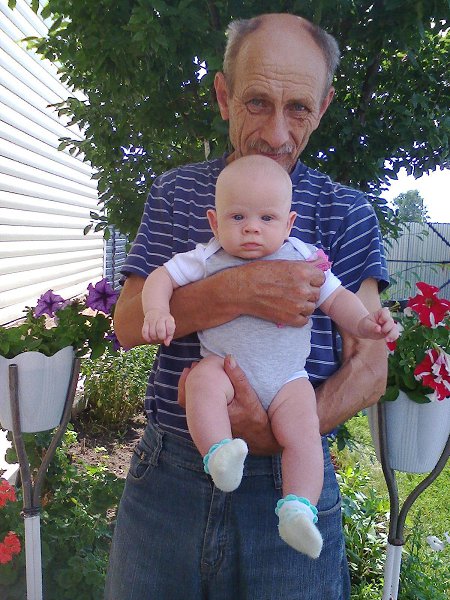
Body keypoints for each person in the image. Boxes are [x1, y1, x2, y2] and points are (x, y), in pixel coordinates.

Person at [105, 12, 390, 600]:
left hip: (292, 474)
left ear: (324, 106)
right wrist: (237, 290)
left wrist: (274, 432)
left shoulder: (348, 212)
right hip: (171, 480)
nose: (277, 133)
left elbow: (369, 368)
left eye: (299, 108)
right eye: (258, 102)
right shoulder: (177, 193)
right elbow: (129, 324)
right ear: (223, 96)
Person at [140, 154, 398, 560]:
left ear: (289, 223)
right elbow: (161, 277)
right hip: (225, 368)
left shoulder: (304, 256)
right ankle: (219, 453)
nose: (252, 228)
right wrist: (157, 310)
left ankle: (298, 510)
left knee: (304, 434)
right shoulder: (206, 256)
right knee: (202, 383)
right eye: (237, 217)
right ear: (214, 222)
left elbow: (338, 300)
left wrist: (366, 325)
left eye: (266, 218)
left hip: (287, 380)